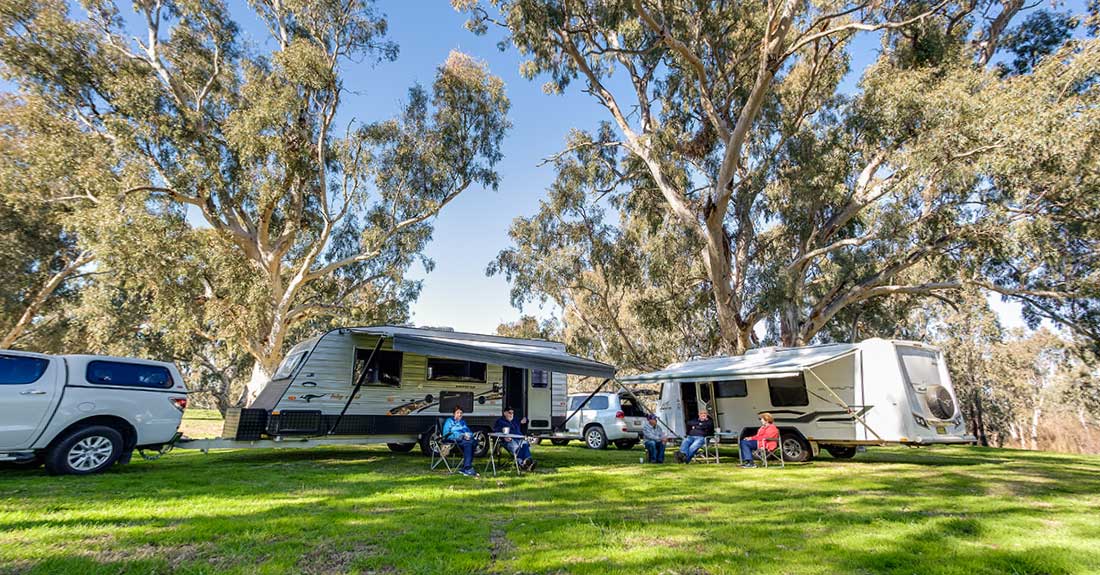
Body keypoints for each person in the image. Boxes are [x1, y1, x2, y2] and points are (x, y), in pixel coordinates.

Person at [493, 406, 536, 471]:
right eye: (509, 413)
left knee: (525, 444)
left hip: (519, 439)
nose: (511, 414)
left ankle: (527, 462)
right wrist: (504, 437)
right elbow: (495, 431)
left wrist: (525, 420)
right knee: (516, 447)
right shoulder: (500, 421)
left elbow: (526, 419)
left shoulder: (515, 419)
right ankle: (524, 463)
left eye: (512, 413)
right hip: (509, 440)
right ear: (505, 413)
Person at [442, 406, 479, 477]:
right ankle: (467, 468)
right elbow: (446, 434)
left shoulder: (463, 422)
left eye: (461, 413)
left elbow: (469, 431)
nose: (460, 414)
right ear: (454, 414)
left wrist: (469, 435)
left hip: (464, 440)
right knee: (468, 444)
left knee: (474, 442)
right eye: (458, 413)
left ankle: (465, 467)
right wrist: (461, 436)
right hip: (453, 441)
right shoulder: (449, 421)